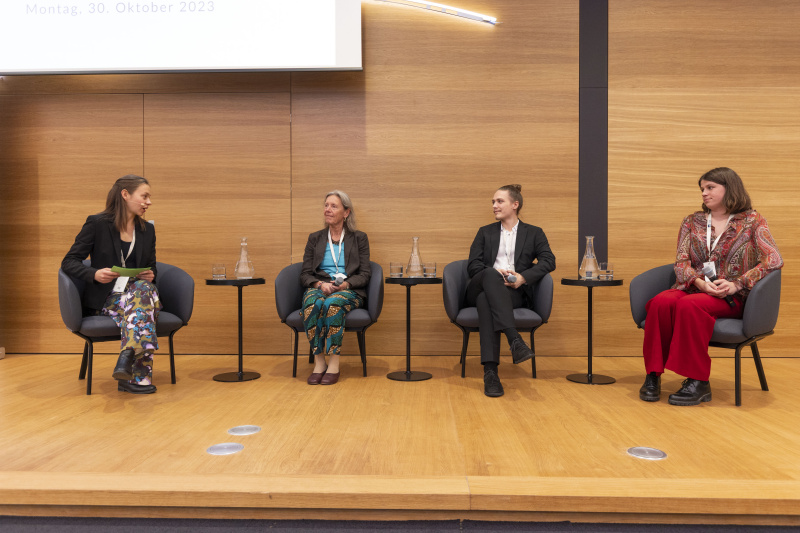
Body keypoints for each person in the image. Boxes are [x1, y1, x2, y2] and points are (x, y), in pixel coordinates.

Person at [640, 167, 783, 406]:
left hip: (729, 295)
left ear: (729, 188)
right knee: (660, 302)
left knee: (689, 306)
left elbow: (774, 259)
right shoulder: (692, 221)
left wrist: (737, 284)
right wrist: (697, 281)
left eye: (710, 188)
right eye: (702, 189)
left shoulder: (751, 221)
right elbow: (681, 261)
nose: (704, 193)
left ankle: (698, 381)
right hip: (694, 287)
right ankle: (653, 374)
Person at [62, 175, 161, 395]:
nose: (149, 202)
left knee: (143, 291)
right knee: (143, 306)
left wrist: (150, 275)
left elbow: (153, 267)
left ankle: (126, 356)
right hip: (109, 297)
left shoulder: (147, 230)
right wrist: (94, 273)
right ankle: (135, 377)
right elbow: (69, 262)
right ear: (125, 194)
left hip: (140, 294)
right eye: (144, 196)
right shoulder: (97, 224)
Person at [466, 184, 556, 397]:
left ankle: (491, 373)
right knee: (489, 274)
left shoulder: (534, 233)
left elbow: (549, 261)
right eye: (493, 202)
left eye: (499, 201)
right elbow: (473, 266)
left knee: (485, 301)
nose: (494, 206)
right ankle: (513, 338)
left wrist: (523, 278)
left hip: (512, 292)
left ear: (515, 205)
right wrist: (497, 272)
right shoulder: (484, 232)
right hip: (481, 283)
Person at [300, 190, 371, 386]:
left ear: (346, 213)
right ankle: (319, 363)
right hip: (320, 286)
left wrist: (345, 284)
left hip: (349, 289)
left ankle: (334, 363)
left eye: (333, 206)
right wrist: (319, 284)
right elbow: (305, 273)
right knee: (311, 302)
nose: (328, 210)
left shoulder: (359, 239)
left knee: (333, 303)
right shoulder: (315, 238)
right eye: (326, 205)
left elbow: (365, 274)